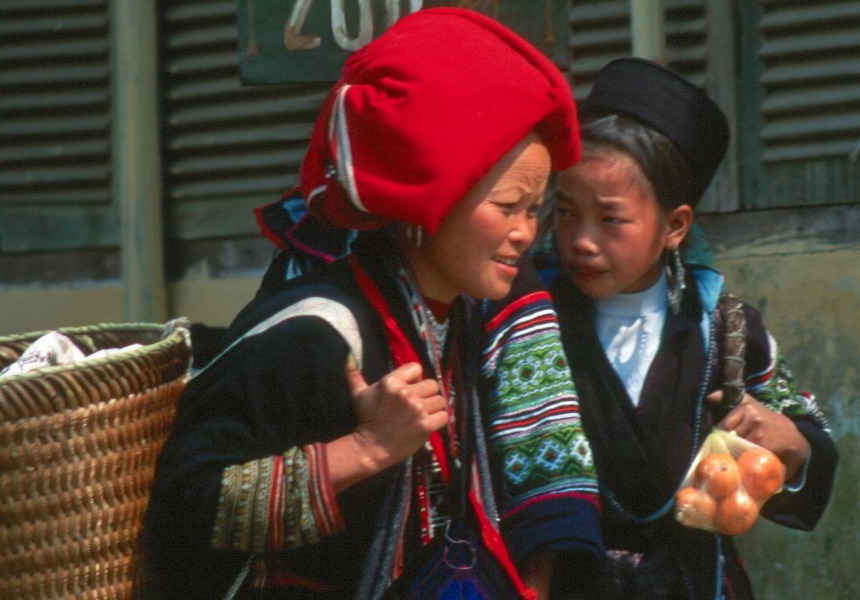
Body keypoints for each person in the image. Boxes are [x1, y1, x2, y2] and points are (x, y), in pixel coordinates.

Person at [139, 8, 603, 599]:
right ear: (434, 200)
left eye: (536, 210)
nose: (525, 233)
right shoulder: (314, 331)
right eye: (508, 206)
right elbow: (185, 505)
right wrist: (365, 449)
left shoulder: (454, 315)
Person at [544, 57, 839, 599]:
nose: (581, 240)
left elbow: (808, 436)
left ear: (675, 225)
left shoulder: (724, 330)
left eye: (610, 219)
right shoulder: (531, 322)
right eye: (565, 212)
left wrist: (791, 444)